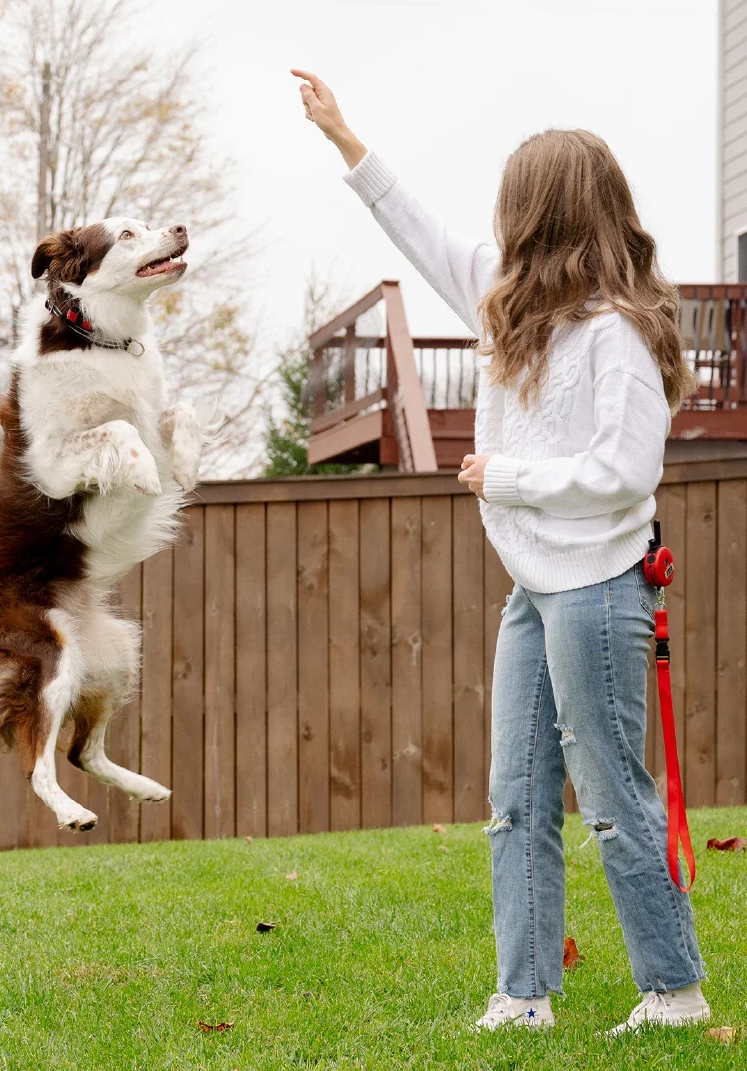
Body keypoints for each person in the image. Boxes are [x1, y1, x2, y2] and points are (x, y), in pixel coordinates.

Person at [292, 68, 707, 1035]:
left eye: (515, 206)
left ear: (547, 215)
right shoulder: (508, 302)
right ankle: (522, 996)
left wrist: (503, 474)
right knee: (515, 795)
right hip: (533, 586)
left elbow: (623, 471)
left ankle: (675, 990)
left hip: (600, 586)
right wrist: (344, 136)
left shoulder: (617, 336)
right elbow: (419, 229)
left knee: (608, 795)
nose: (497, 224)